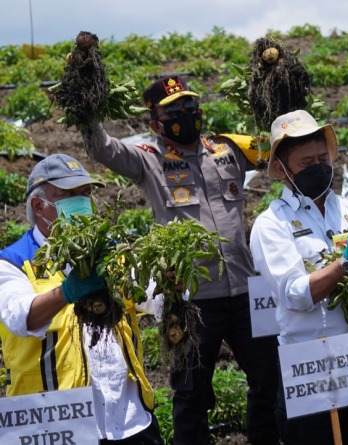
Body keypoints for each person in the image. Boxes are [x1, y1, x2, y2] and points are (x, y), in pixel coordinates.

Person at [80, 75, 280, 445]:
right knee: (191, 394)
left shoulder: (228, 149)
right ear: (155, 123)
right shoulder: (149, 160)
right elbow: (103, 149)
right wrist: (87, 109)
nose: (186, 113)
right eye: (173, 110)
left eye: (189, 104)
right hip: (190, 300)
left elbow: (279, 147)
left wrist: (277, 93)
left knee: (270, 378)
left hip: (246, 292)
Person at [0, 153, 164, 444]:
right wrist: (66, 292)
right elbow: (21, 317)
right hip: (59, 425)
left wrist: (171, 282)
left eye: (85, 193)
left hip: (130, 420)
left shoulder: (112, 252)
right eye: (68, 195)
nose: (81, 203)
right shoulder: (13, 262)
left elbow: (152, 295)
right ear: (38, 206)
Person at [249, 109, 348, 444]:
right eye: (306, 162)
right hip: (312, 372)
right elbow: (296, 294)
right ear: (281, 170)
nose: (318, 167)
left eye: (322, 159)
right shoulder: (271, 225)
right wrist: (347, 263)